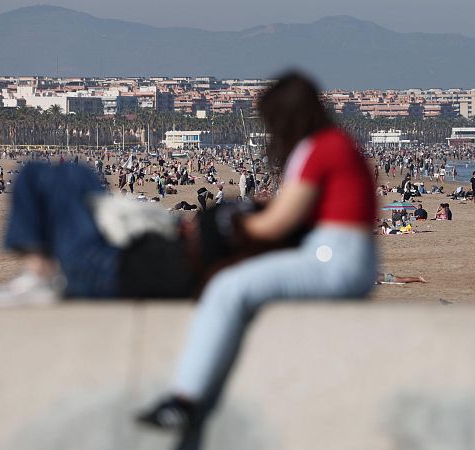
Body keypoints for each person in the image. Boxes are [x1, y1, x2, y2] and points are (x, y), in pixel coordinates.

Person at [136, 73, 378, 444]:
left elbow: (276, 223)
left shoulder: (318, 148)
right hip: (349, 256)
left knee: (227, 288)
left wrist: (228, 223)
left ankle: (182, 399)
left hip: (334, 259)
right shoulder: (337, 143)